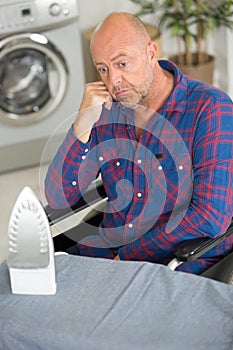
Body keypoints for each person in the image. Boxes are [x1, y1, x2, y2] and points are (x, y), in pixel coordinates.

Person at [45, 12, 233, 274]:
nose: (113, 82)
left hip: (170, 266)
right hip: (103, 255)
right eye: (103, 69)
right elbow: (58, 197)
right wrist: (82, 125)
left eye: (122, 64)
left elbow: (210, 217)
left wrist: (127, 259)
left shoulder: (210, 108)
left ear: (151, 52)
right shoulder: (105, 112)